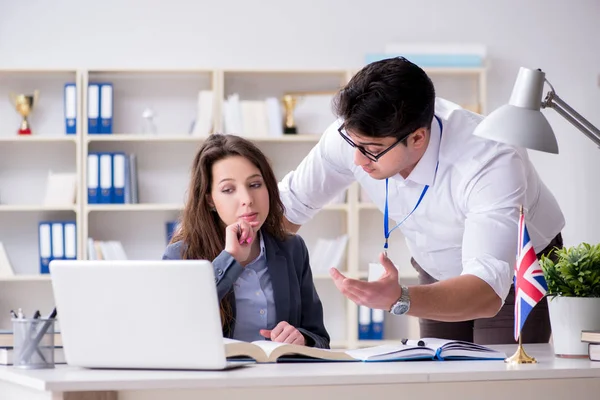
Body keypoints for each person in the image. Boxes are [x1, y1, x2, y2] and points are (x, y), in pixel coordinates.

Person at [278, 57, 565, 345]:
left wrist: (400, 297)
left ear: (417, 138)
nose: (357, 159)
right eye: (354, 143)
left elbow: (487, 290)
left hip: (516, 270)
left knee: (497, 379)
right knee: (437, 374)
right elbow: (287, 209)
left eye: (372, 149)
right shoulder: (355, 135)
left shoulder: (489, 159)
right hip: (436, 263)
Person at [163, 134, 330, 349]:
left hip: (278, 378)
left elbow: (320, 338)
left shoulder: (292, 248)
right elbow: (174, 329)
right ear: (210, 200)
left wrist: (302, 338)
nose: (247, 199)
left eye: (255, 184)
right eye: (228, 190)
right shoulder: (180, 255)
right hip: (215, 380)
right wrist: (230, 260)